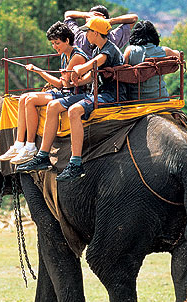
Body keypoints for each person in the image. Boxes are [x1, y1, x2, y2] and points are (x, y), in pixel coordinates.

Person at [17, 17, 125, 181]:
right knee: (53, 106)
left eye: (88, 31)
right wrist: (80, 80)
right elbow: (91, 76)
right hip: (98, 92)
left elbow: (95, 63)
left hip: (111, 95)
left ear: (95, 33)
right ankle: (43, 156)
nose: (85, 34)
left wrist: (80, 68)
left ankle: (75, 162)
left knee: (74, 110)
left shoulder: (107, 50)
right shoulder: (97, 49)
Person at [0, 21, 90, 165]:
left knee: (30, 100)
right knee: (24, 97)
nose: (55, 47)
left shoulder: (77, 57)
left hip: (74, 94)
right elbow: (62, 84)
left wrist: (38, 71)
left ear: (67, 40)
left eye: (57, 43)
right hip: (64, 92)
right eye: (53, 43)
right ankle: (19, 143)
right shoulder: (64, 54)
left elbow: (62, 83)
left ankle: (30, 147)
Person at [123, 20, 179, 103]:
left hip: (136, 99)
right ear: (154, 35)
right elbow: (179, 55)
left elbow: (123, 69)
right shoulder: (164, 51)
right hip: (160, 98)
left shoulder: (130, 50)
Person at [64, 5, 137, 56]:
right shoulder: (113, 39)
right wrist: (109, 21)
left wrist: (86, 15)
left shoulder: (78, 37)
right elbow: (134, 19)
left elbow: (67, 15)